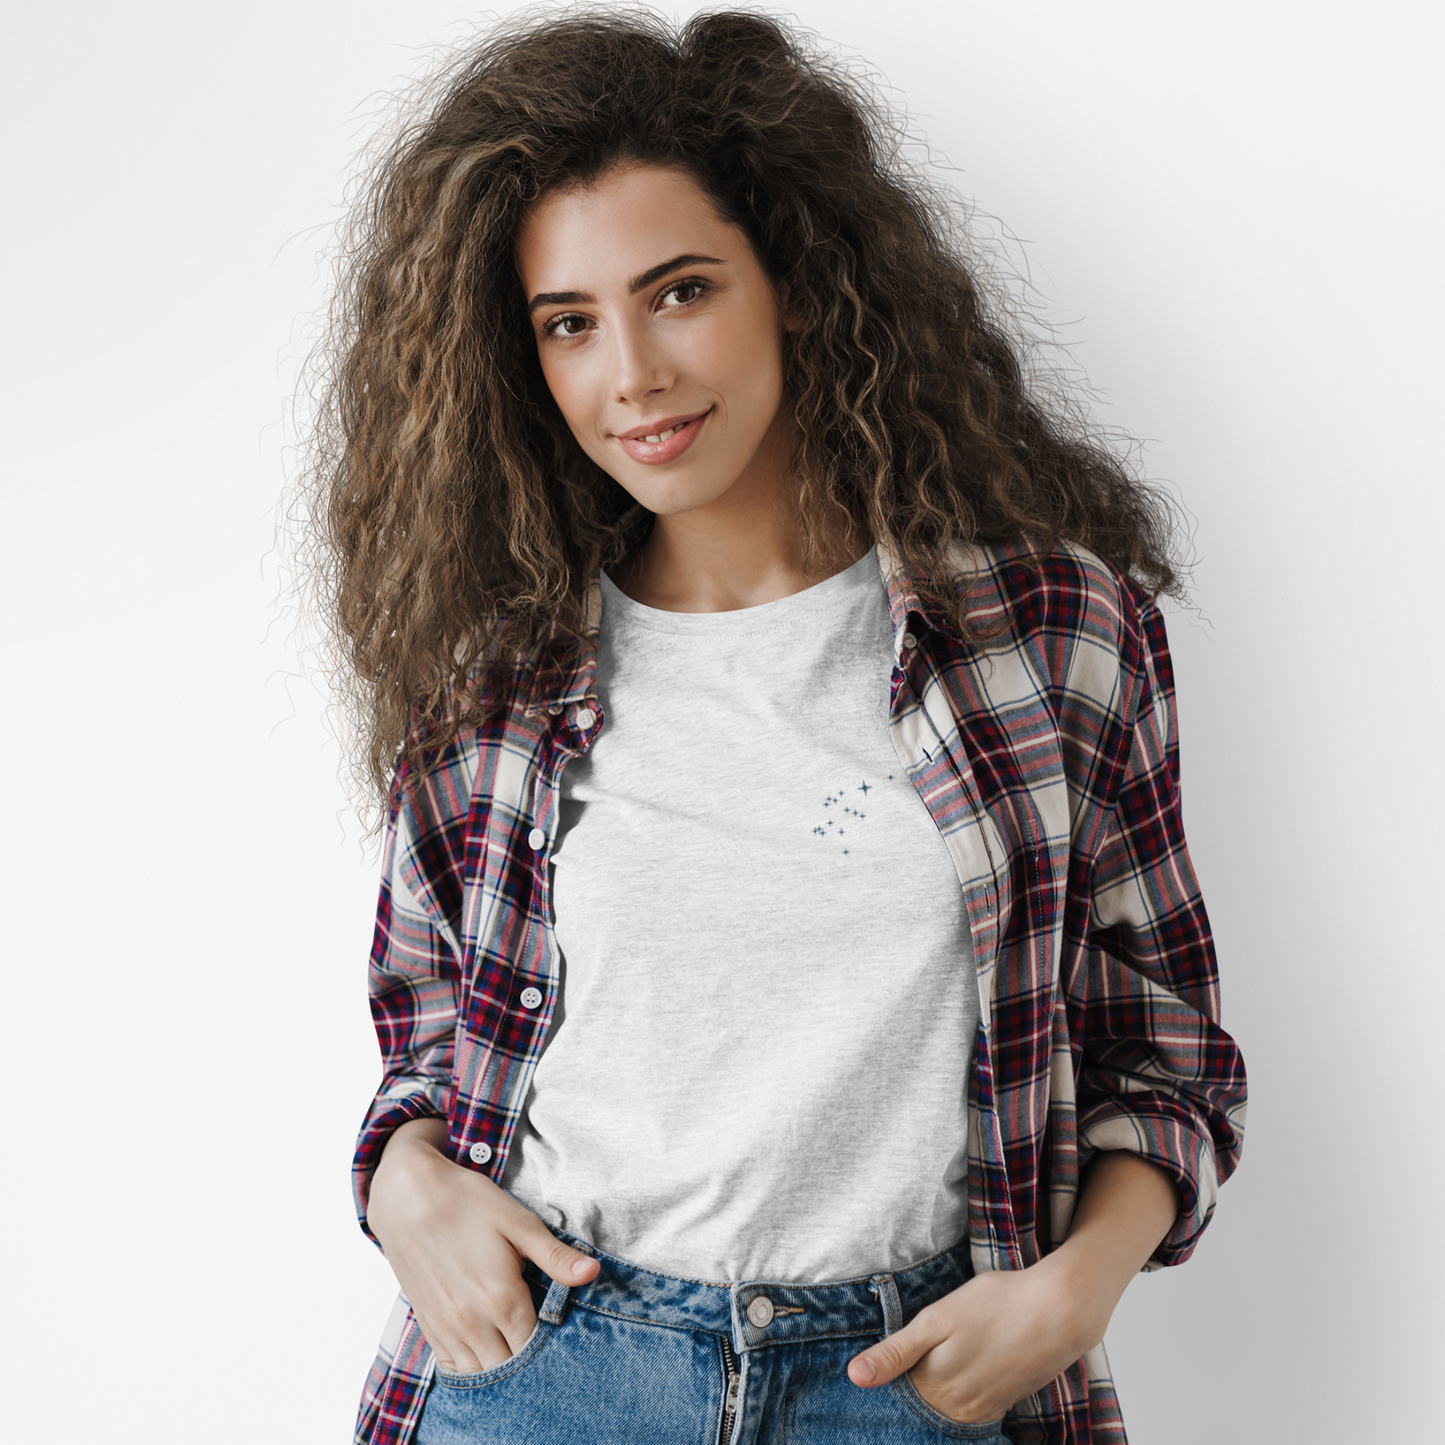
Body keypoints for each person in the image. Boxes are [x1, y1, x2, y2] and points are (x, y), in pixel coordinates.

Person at [305, 10, 1247, 1444]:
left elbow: (1162, 1046)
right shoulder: (491, 676)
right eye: (569, 323)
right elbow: (427, 1032)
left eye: (679, 292)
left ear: (794, 282)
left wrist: (1074, 1291)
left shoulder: (1057, 637)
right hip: (546, 1375)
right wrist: (401, 1180)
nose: (632, 372)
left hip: (920, 1383)